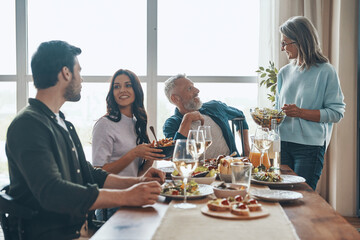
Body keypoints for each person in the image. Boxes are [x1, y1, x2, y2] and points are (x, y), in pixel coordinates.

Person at [5, 40, 165, 240]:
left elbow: (90, 173)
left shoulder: (61, 122)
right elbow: (53, 192)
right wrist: (127, 196)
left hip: (80, 230)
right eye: (79, 71)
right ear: (66, 73)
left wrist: (138, 181)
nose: (81, 79)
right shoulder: (29, 124)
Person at [275, 16, 345, 190]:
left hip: (309, 148)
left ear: (300, 42)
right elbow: (277, 110)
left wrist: (300, 112)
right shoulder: (284, 73)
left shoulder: (326, 71)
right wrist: (269, 119)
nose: (282, 48)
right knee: (281, 195)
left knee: (302, 197)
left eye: (285, 43)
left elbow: (336, 113)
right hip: (283, 144)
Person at [92, 69, 165, 219]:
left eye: (127, 85)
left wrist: (148, 162)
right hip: (112, 205)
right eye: (116, 87)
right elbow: (98, 173)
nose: (122, 90)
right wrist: (134, 153)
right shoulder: (104, 124)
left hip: (134, 198)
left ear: (136, 90)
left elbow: (132, 175)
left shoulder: (136, 122)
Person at [163, 74, 250, 158]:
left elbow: (240, 117)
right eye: (189, 88)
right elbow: (177, 155)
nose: (197, 90)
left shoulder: (215, 107)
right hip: (197, 171)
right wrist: (187, 119)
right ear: (175, 98)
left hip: (231, 168)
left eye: (194, 86)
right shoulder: (171, 124)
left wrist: (246, 149)